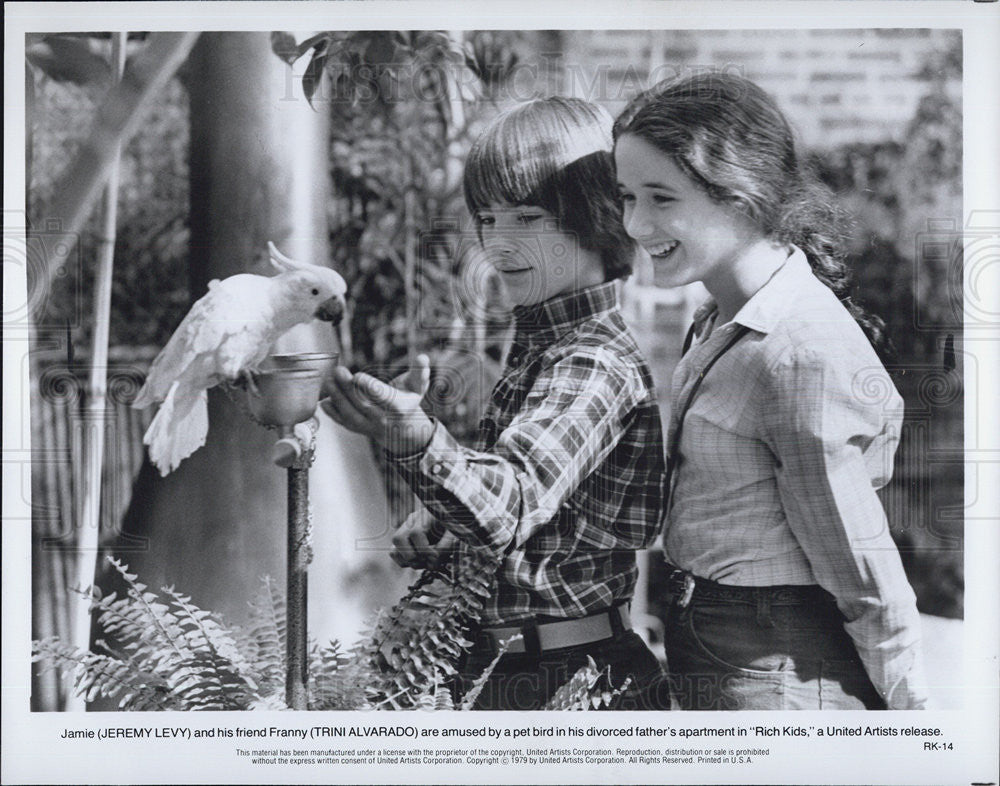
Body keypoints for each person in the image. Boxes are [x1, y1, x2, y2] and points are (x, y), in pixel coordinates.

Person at [321, 97, 669, 710]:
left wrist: (414, 438)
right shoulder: (543, 343)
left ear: (596, 218)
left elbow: (510, 505)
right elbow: (540, 533)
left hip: (565, 683)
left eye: (527, 217)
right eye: (486, 218)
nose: (498, 245)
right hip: (518, 669)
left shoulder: (591, 361)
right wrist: (450, 531)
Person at [613, 72, 928, 711]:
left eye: (660, 197)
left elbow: (862, 573)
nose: (637, 224)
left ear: (741, 196)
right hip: (716, 651)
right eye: (627, 197)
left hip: (775, 678)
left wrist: (921, 720)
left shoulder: (797, 353)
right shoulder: (720, 316)